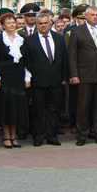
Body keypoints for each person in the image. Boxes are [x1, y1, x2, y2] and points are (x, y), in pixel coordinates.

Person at [68, 6, 97, 146]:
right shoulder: (76, 31)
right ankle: (82, 135)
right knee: (83, 107)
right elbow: (72, 56)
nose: (95, 17)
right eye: (93, 15)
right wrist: (74, 74)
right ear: (85, 16)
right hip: (84, 74)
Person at [22, 13, 67, 146]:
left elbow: (64, 59)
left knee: (54, 109)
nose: (43, 26)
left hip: (56, 80)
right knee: (38, 110)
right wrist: (32, 75)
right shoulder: (30, 40)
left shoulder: (59, 39)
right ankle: (39, 136)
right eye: (40, 23)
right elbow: (27, 61)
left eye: (45, 23)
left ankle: (52, 136)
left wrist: (64, 77)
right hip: (38, 81)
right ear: (37, 25)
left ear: (50, 24)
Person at [0, 13, 30, 148]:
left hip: (18, 75)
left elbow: (26, 61)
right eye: (8, 23)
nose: (12, 25)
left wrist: (27, 77)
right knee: (6, 107)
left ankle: (14, 136)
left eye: (13, 22)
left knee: (17, 107)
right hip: (4, 75)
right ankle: (6, 136)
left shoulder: (21, 38)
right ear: (3, 25)